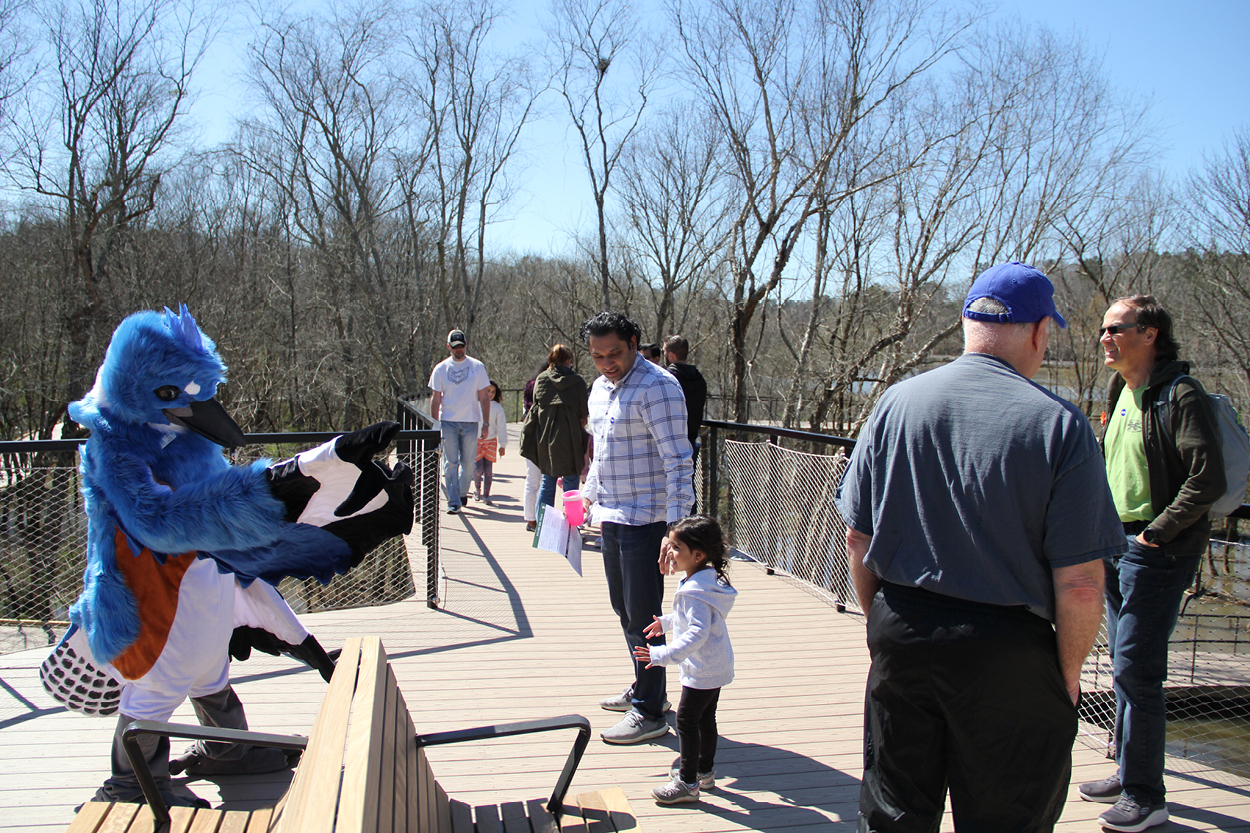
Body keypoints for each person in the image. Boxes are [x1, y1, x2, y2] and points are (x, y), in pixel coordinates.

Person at [836, 262, 1124, 832]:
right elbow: (1083, 582)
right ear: (1040, 331)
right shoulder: (1059, 426)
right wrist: (1066, 678)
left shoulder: (896, 403)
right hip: (1008, 652)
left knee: (894, 812)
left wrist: (886, 627)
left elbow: (859, 538)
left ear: (968, 322)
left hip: (904, 629)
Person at [1078, 295, 1226, 832]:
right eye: (1103, 329)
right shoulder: (1122, 390)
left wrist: (1156, 536)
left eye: (1116, 328)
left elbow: (1207, 479)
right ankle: (1127, 770)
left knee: (1136, 670)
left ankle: (1147, 794)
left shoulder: (1179, 394)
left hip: (1155, 550)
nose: (1105, 338)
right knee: (1122, 662)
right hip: (1115, 542)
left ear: (1150, 334)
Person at [581, 311, 695, 744]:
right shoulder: (598, 389)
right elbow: (602, 454)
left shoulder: (659, 386)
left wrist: (676, 529)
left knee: (644, 618)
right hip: (611, 515)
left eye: (615, 353)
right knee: (626, 611)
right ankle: (647, 689)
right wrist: (586, 498)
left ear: (633, 342)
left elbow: (678, 461)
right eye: (597, 356)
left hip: (648, 519)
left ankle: (650, 710)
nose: (607, 363)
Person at [634, 515, 736, 805]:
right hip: (716, 665)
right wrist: (666, 623)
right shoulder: (704, 580)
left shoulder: (694, 591)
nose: (670, 552)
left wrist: (663, 655)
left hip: (702, 670)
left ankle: (688, 781)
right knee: (705, 718)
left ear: (698, 555)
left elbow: (697, 633)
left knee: (685, 720)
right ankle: (704, 771)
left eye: (677, 548)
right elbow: (693, 620)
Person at [521, 344, 590, 514]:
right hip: (571, 437)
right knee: (571, 484)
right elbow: (583, 414)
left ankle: (543, 528)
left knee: (548, 482)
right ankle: (571, 529)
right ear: (569, 361)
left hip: (547, 437)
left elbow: (536, 407)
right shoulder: (578, 382)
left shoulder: (542, 379)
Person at [429, 329, 491, 515]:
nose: (459, 350)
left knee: (469, 463)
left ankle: (462, 491)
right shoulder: (441, 369)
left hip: (471, 421)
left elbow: (484, 397)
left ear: (466, 345)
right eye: (455, 347)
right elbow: (435, 398)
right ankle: (454, 501)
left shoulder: (477, 367)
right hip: (448, 421)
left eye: (461, 346)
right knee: (450, 463)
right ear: (449, 347)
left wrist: (486, 423)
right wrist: (435, 425)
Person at [663, 335, 708, 507]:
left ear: (671, 355)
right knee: (688, 483)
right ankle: (688, 525)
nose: (663, 355)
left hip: (669, 441)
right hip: (690, 439)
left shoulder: (667, 379)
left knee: (666, 486)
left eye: (664, 351)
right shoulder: (699, 379)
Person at [473, 380, 508, 505]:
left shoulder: (497, 407)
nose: (490, 394)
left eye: (493, 392)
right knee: (477, 469)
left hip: (491, 442)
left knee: (488, 470)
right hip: (476, 441)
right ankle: (477, 489)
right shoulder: (474, 405)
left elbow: (502, 427)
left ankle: (486, 495)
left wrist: (503, 445)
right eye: (488, 391)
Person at [521, 361, 547, 532]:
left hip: (530, 436)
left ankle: (532, 518)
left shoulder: (529, 385)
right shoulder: (547, 385)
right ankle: (535, 518)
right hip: (543, 436)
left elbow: (525, 410)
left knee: (533, 480)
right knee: (543, 481)